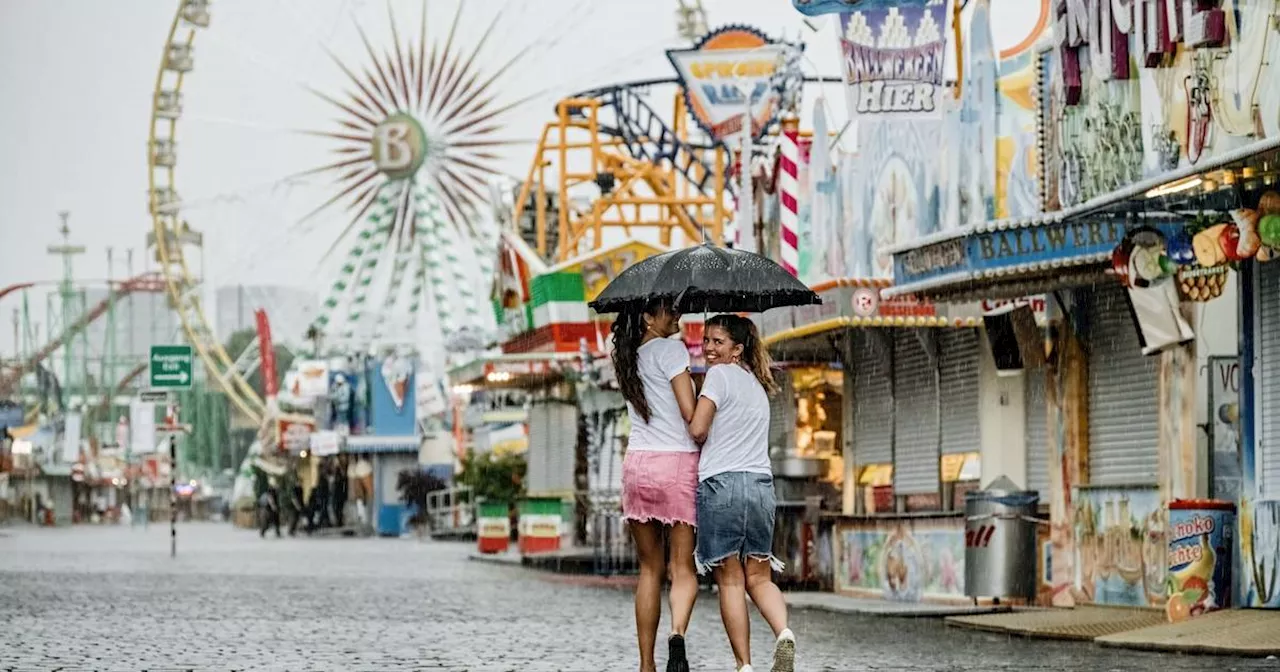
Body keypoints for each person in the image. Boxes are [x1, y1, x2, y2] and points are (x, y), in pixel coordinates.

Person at [688, 314, 794, 672]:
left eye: (718, 342)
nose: (708, 348)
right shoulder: (757, 384)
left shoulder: (718, 376)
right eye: (706, 340)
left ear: (737, 349)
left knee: (731, 582)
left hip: (722, 486)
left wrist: (690, 412)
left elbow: (699, 430)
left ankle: (744, 665)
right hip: (761, 488)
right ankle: (783, 633)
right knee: (760, 578)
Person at [614, 298, 699, 672]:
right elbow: (689, 413)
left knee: (649, 569)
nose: (676, 315)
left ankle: (645, 665)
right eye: (668, 309)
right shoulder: (671, 349)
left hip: (638, 465)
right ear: (648, 317)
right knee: (681, 568)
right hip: (677, 462)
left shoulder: (626, 356)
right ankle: (677, 635)